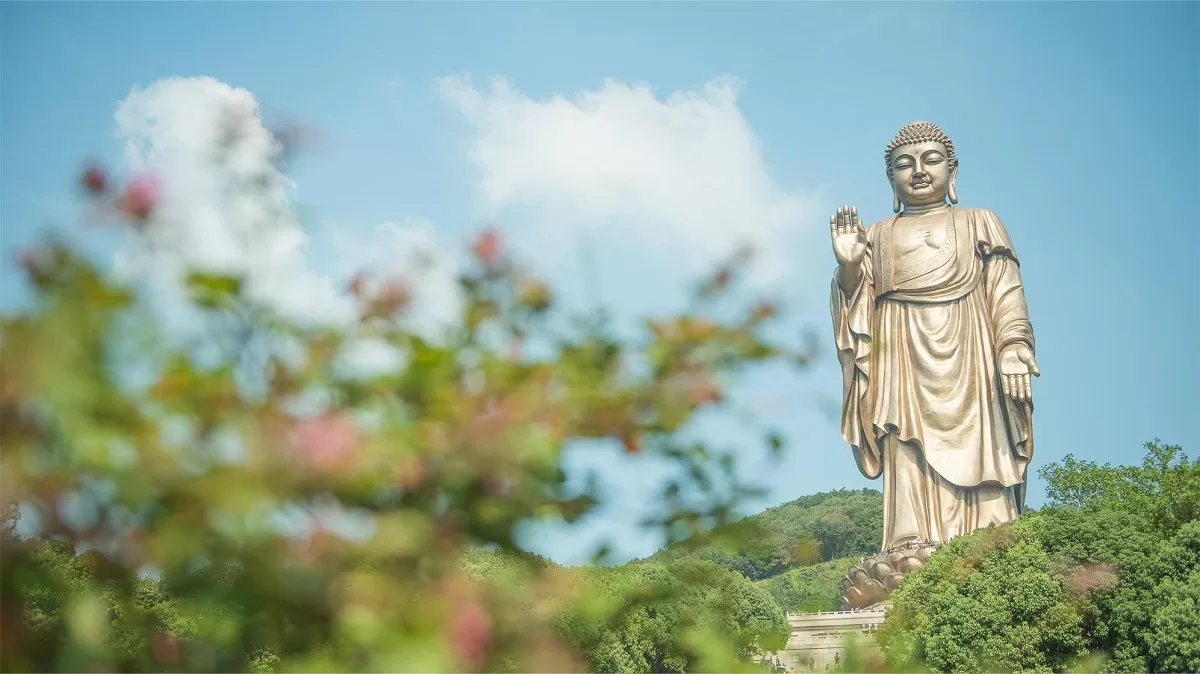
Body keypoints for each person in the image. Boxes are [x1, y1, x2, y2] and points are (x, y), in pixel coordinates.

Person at [830, 121, 1039, 550]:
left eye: (931, 160)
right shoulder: (878, 234)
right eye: (904, 165)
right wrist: (850, 266)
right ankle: (910, 539)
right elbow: (855, 311)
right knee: (902, 434)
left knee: (986, 437)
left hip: (971, 348)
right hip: (900, 351)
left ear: (953, 170)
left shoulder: (979, 221)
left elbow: (1004, 286)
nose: (919, 171)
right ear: (891, 179)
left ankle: (993, 538)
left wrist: (1013, 345)